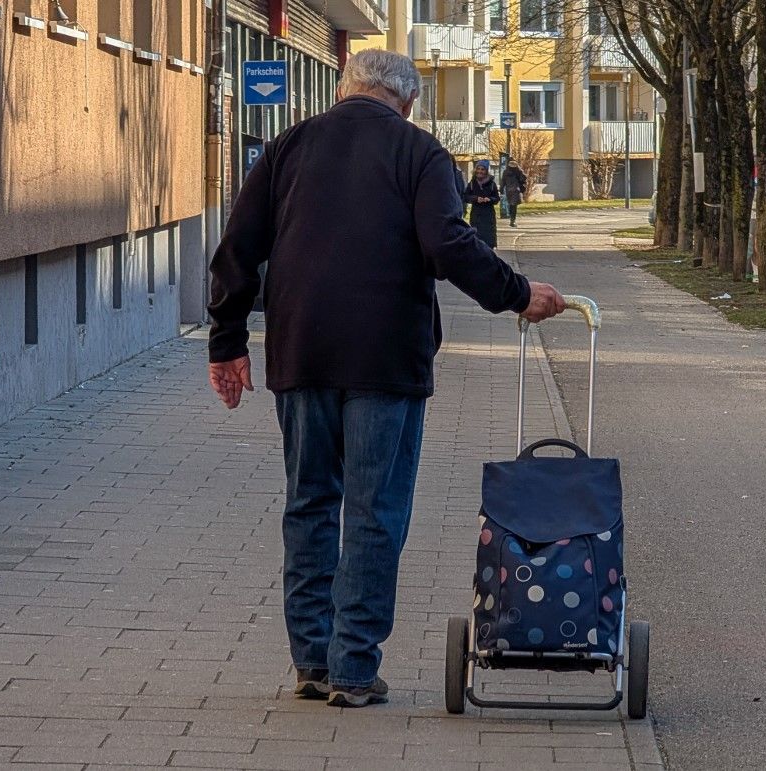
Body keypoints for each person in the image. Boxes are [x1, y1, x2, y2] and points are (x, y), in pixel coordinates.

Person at [206, 49, 565, 709]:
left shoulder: (288, 146)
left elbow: (237, 247)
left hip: (301, 348)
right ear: (404, 101)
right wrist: (517, 294)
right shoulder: (418, 152)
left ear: (345, 90)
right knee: (375, 511)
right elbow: (448, 244)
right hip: (385, 358)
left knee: (309, 505)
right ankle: (351, 667)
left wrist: (227, 341)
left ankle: (312, 660)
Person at [464, 160, 501, 248]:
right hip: (476, 214)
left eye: (482, 169)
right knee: (476, 237)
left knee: (488, 238)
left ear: (486, 171)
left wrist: (489, 199)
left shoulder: (492, 184)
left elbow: (496, 198)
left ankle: (489, 254)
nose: (480, 171)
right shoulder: (472, 183)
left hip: (488, 215)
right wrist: (476, 199)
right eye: (478, 169)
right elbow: (466, 197)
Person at [501, 159, 528, 227]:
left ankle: (511, 219)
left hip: (508, 190)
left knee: (511, 204)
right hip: (516, 190)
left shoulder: (505, 172)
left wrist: (501, 189)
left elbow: (503, 181)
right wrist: (519, 169)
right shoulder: (518, 171)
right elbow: (524, 178)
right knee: (514, 206)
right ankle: (512, 220)